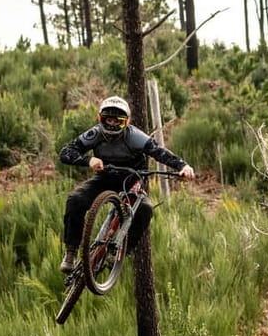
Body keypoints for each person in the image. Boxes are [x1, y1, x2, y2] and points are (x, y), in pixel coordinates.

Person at [59, 95, 195, 273]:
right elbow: (66, 152)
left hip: (132, 180)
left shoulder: (136, 137)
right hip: (104, 178)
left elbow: (159, 152)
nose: (112, 124)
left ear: (127, 121)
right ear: (100, 118)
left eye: (118, 121)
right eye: (108, 119)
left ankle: (122, 251)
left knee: (145, 210)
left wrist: (183, 166)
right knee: (75, 200)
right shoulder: (95, 134)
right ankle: (71, 252)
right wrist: (88, 160)